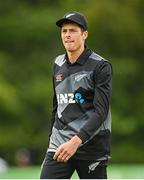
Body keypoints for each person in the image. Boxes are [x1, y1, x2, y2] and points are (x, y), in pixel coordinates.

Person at [40, 11, 112, 179]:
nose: (67, 35)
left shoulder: (100, 66)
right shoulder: (57, 63)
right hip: (59, 145)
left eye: (73, 30)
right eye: (64, 31)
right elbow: (56, 107)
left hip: (91, 146)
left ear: (84, 34)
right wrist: (50, 147)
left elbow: (101, 112)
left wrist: (75, 142)